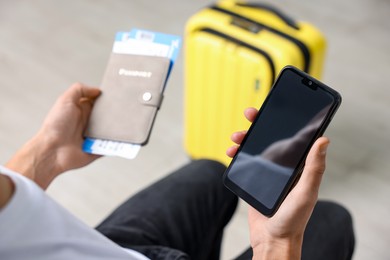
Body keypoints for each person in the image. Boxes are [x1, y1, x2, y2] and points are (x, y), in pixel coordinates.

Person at [0, 83, 355, 260]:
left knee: (209, 173)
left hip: (110, 249)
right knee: (332, 221)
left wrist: (47, 151)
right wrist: (276, 243)